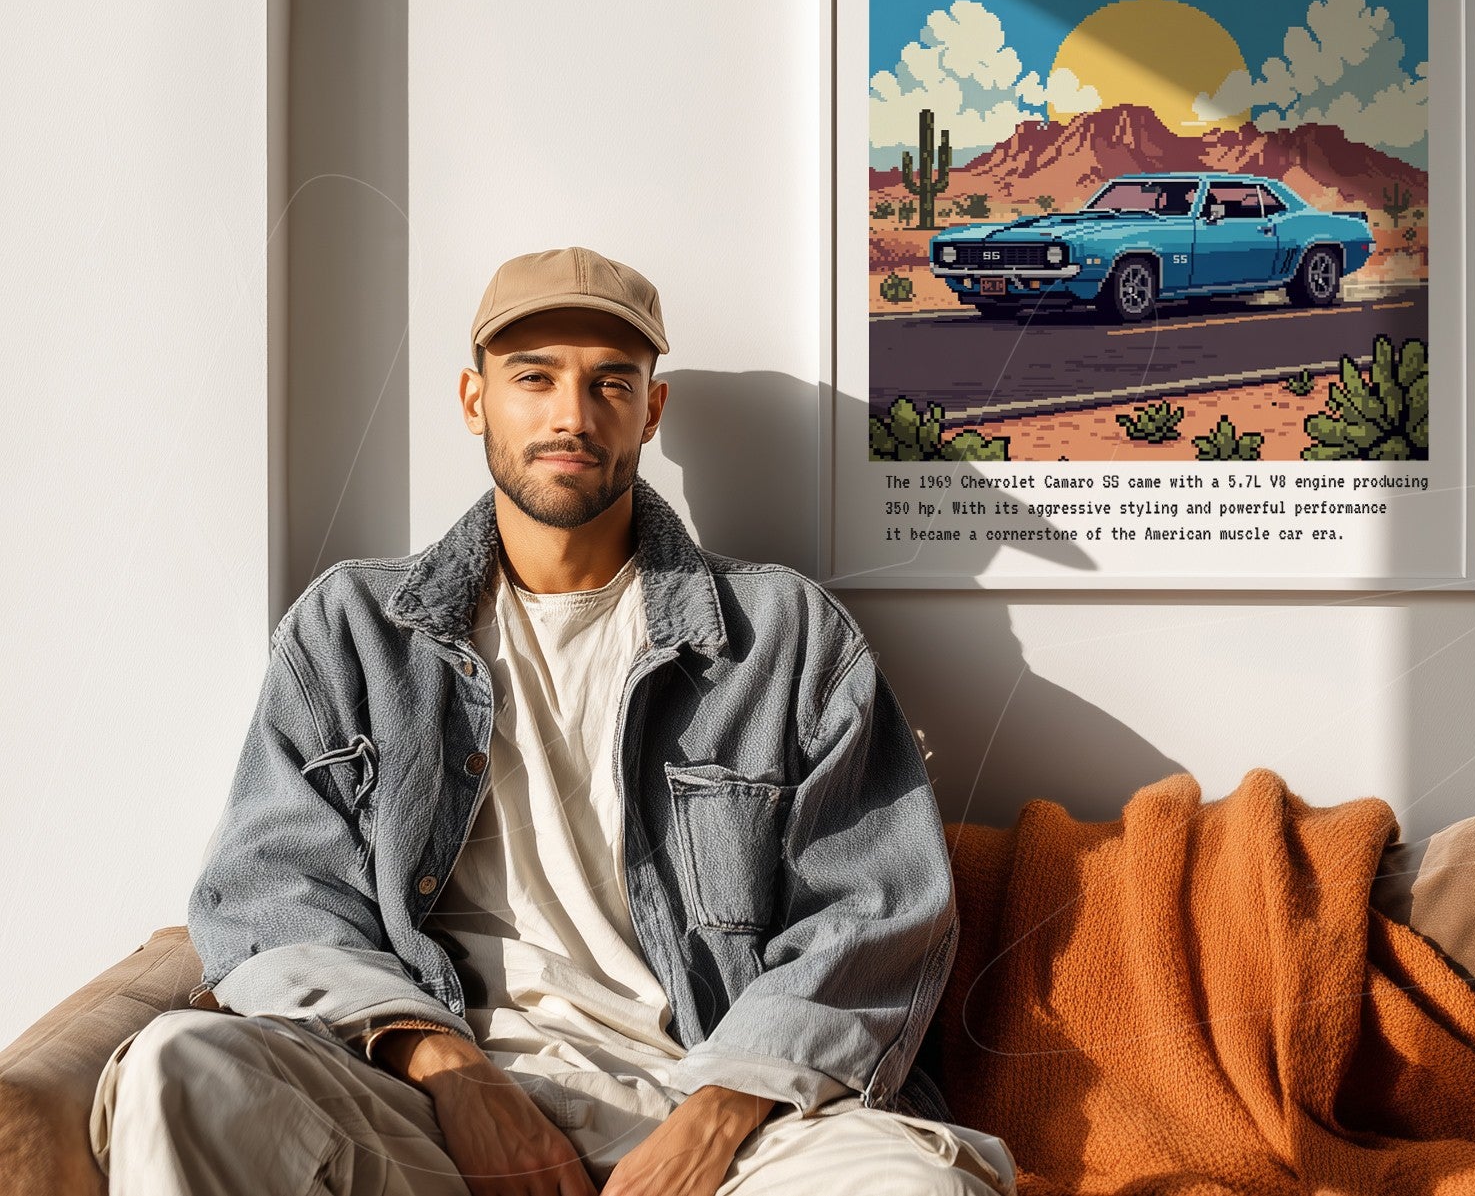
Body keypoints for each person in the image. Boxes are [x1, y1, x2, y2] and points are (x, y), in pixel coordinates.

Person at [92, 246, 1016, 1196]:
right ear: (473, 398)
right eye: (533, 378)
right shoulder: (353, 629)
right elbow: (268, 895)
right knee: (177, 1071)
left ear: (650, 409)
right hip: (426, 1106)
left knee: (920, 1185)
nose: (571, 415)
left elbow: (876, 911)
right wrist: (454, 1074)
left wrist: (715, 1116)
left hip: (712, 1099)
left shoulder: (781, 633)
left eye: (609, 381)